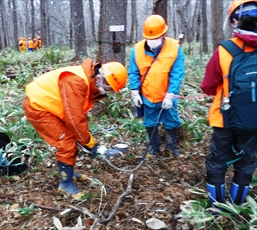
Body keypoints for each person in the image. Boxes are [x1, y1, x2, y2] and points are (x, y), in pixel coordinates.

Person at [23, 58, 127, 200]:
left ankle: (68, 172)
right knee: (67, 144)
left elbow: (76, 117)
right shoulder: (76, 81)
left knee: (73, 139)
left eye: (109, 90)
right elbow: (75, 120)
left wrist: (87, 142)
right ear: (99, 77)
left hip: (53, 107)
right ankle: (65, 184)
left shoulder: (87, 82)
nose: (105, 91)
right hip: (39, 107)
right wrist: (90, 144)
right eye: (106, 86)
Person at [200, 0, 257, 207]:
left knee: (218, 161)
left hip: (224, 118)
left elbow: (207, 85)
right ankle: (236, 205)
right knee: (247, 162)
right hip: (254, 121)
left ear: (234, 20)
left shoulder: (225, 50)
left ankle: (217, 207)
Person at [128, 14, 185, 158]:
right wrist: (135, 92)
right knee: (150, 123)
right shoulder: (137, 49)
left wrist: (171, 94)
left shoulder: (175, 48)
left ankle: (171, 148)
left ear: (164, 34)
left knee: (172, 122)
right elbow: (133, 72)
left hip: (167, 95)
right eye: (150, 38)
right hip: (147, 96)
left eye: (156, 38)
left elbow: (177, 74)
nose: (152, 41)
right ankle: (154, 148)